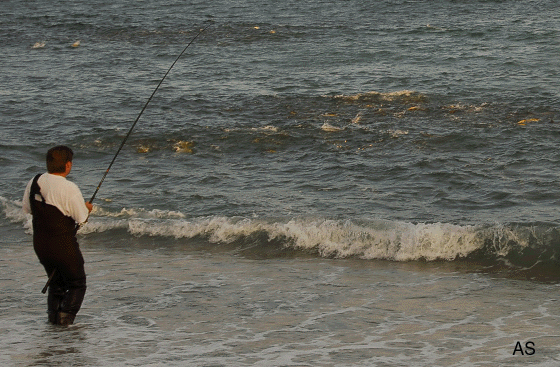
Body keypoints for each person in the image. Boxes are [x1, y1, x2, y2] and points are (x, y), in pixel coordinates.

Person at [22, 146, 93, 325]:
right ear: (68, 165)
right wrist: (88, 208)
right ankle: (64, 324)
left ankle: (54, 328)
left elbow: (28, 209)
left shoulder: (34, 181)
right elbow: (82, 218)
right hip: (63, 246)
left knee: (56, 284)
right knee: (77, 284)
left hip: (40, 245)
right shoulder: (69, 188)